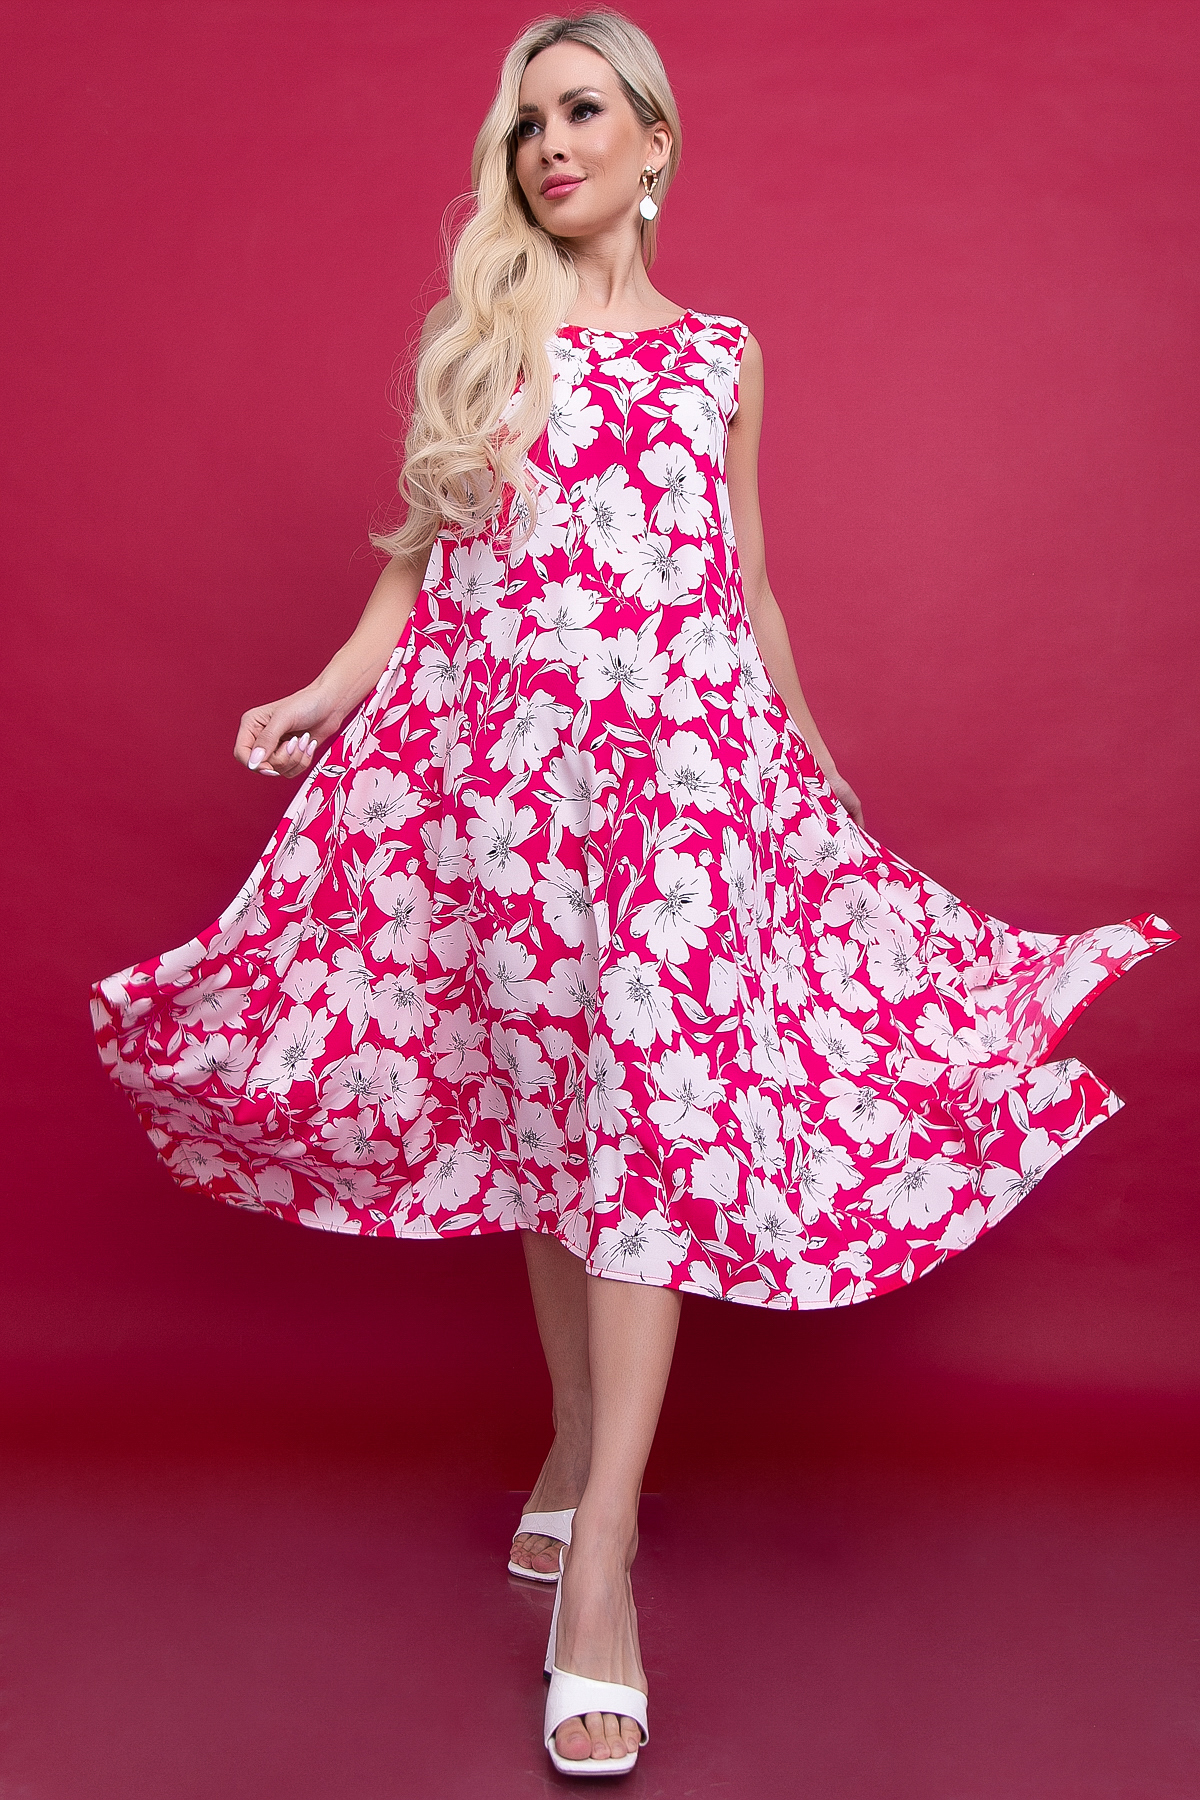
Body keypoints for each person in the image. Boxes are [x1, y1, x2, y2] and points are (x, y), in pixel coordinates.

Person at [91, 10, 1176, 1778]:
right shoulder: (487, 337)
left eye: (584, 112)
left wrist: (807, 761)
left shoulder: (724, 355)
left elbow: (745, 581)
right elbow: (422, 556)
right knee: (558, 1130)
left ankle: (599, 1564)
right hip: (507, 801)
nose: (552, 146)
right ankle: (569, 1446)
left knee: (649, 1139)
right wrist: (325, 691)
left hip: (678, 800)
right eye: (529, 123)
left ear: (655, 143)